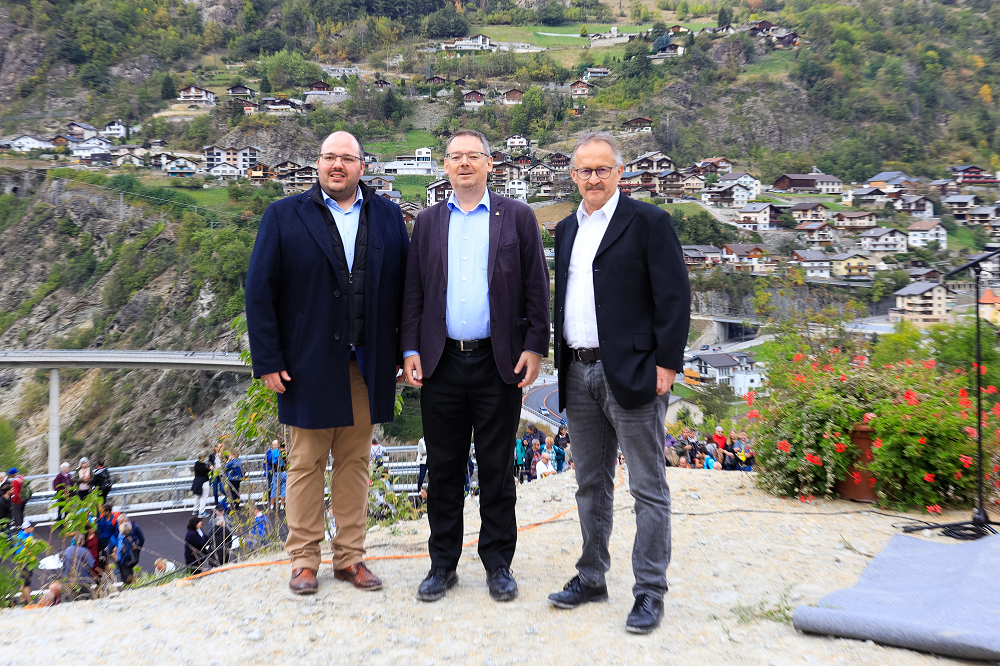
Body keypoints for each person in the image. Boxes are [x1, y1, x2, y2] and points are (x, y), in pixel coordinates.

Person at [246, 130, 409, 597]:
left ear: (362, 166)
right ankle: (303, 561)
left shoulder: (388, 216)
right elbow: (259, 291)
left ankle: (350, 558)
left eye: (347, 158)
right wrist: (268, 360)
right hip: (306, 364)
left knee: (355, 462)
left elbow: (404, 289)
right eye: (329, 157)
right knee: (305, 463)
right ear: (318, 164)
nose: (337, 165)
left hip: (367, 364)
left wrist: (403, 351)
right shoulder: (284, 215)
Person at [547, 132, 690, 635]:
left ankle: (650, 590)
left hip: (633, 371)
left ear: (619, 173)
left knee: (647, 486)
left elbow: (674, 297)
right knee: (590, 483)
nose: (593, 178)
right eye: (585, 170)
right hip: (578, 370)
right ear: (573, 175)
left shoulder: (649, 222)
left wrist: (667, 364)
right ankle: (592, 576)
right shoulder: (567, 228)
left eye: (602, 169)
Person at [402, 128, 550, 604]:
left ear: (490, 163)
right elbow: (413, 291)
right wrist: (409, 349)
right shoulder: (427, 222)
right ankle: (442, 565)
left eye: (473, 155)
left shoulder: (518, 217)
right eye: (455, 156)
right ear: (445, 167)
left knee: (497, 468)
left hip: (497, 362)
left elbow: (536, 286)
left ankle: (498, 564)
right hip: (441, 361)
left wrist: (535, 346)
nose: (464, 163)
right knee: (444, 468)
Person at [265, 440, 281, 504]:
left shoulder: (280, 452)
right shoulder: (269, 452)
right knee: (270, 486)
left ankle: (277, 501)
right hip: (270, 472)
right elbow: (265, 462)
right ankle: (270, 501)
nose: (275, 446)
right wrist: (269, 469)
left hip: (278, 471)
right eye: (274, 445)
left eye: (277, 445)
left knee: (278, 486)